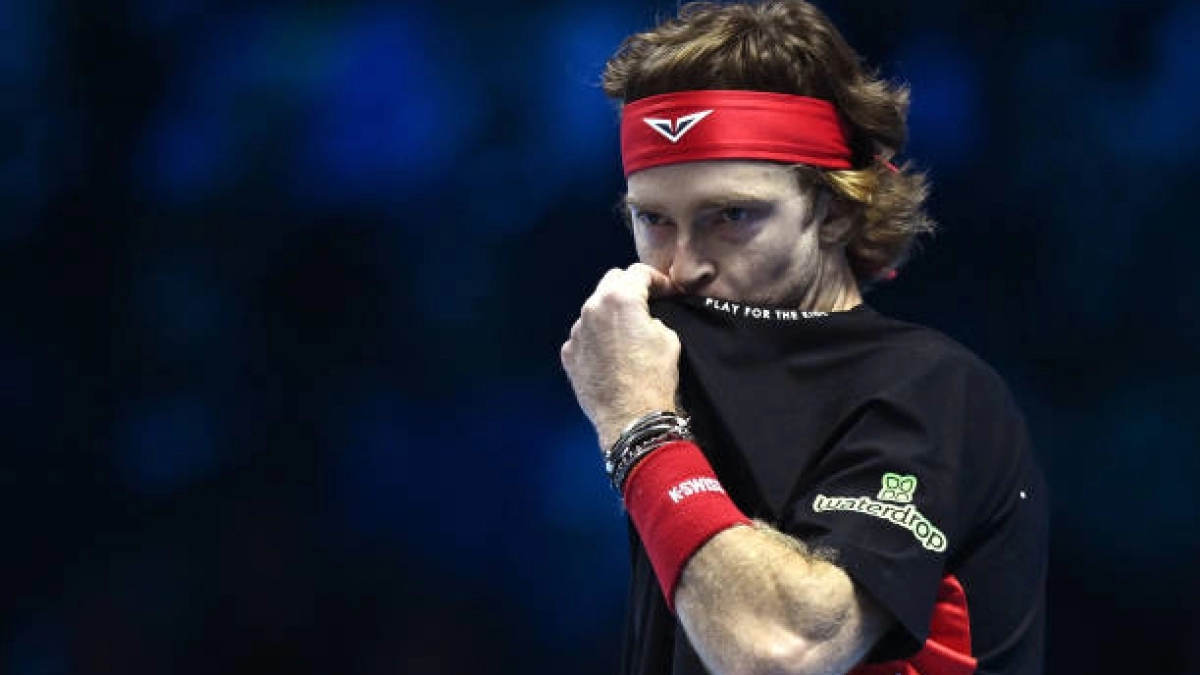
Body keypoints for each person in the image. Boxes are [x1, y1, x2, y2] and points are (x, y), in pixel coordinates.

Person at [559, 2, 1048, 674]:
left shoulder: (934, 388)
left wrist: (638, 424)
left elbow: (781, 650)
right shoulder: (678, 370)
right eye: (653, 220)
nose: (683, 264)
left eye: (731, 215)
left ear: (836, 211)